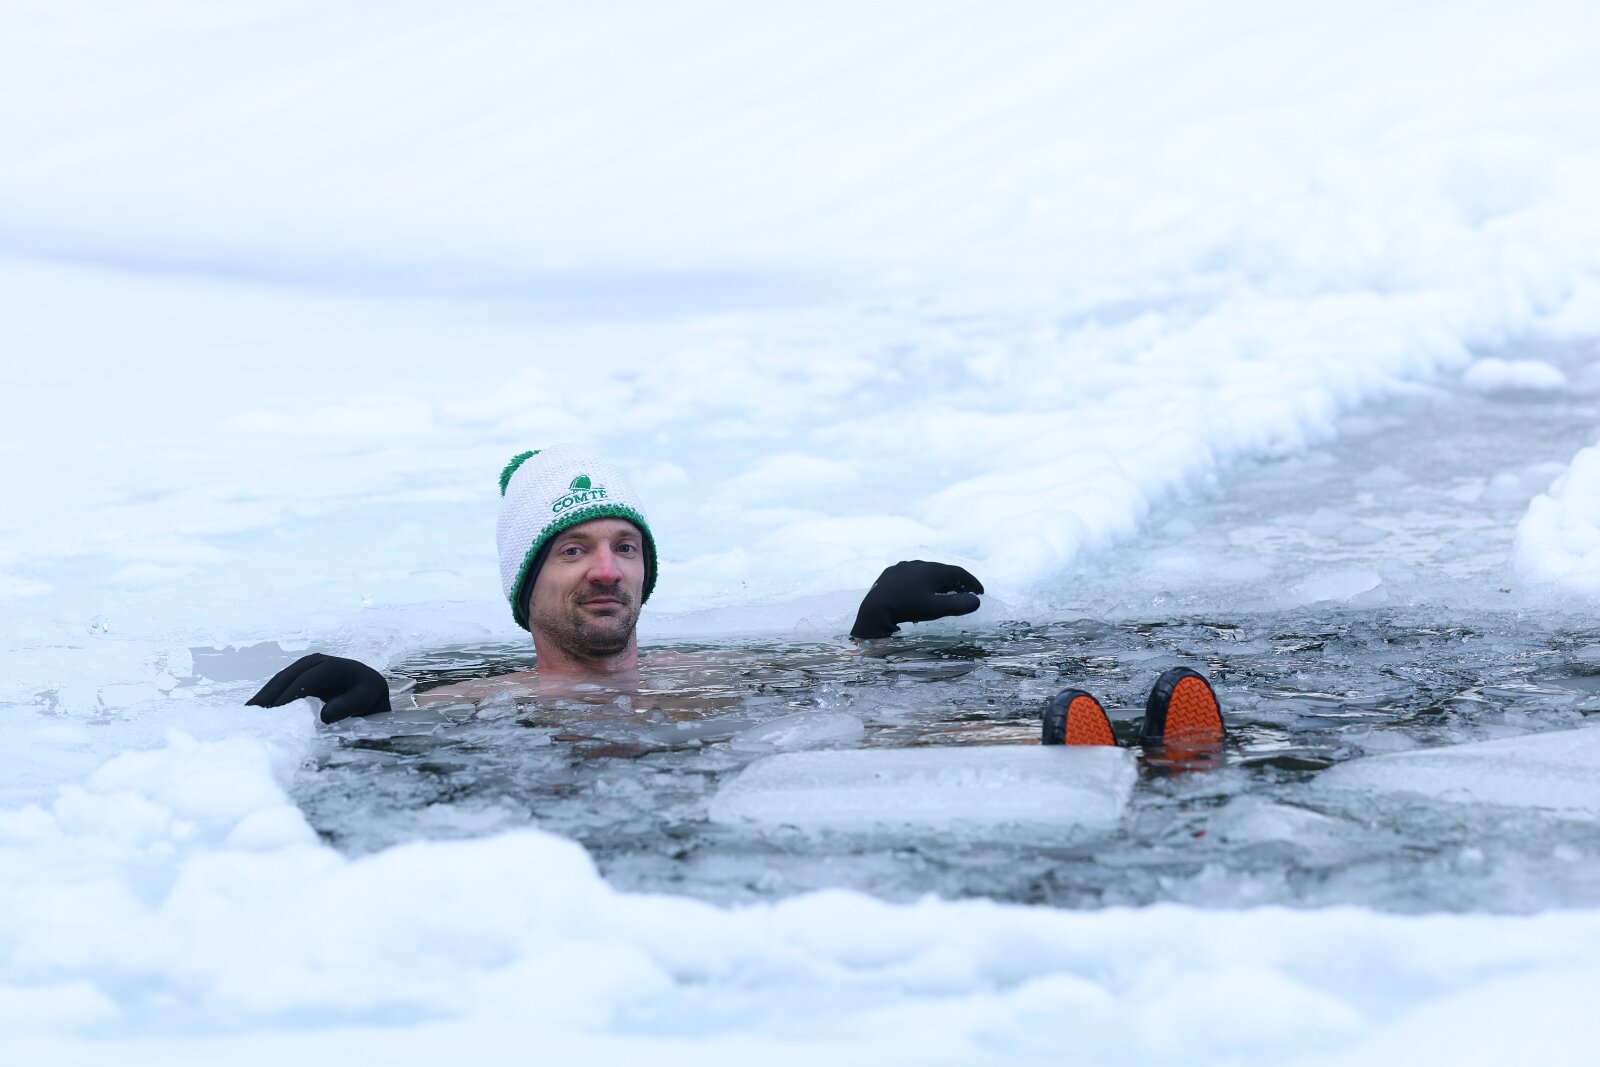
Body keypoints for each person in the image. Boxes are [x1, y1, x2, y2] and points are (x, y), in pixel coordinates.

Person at [248, 445, 1224, 753]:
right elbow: (405, 726)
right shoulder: (485, 701)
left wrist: (872, 629)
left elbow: (836, 688)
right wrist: (369, 709)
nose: (606, 568)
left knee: (882, 727)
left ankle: (1140, 742)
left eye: (626, 547)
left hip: (769, 749)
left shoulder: (706, 668)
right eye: (574, 550)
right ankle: (1081, 749)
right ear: (525, 587)